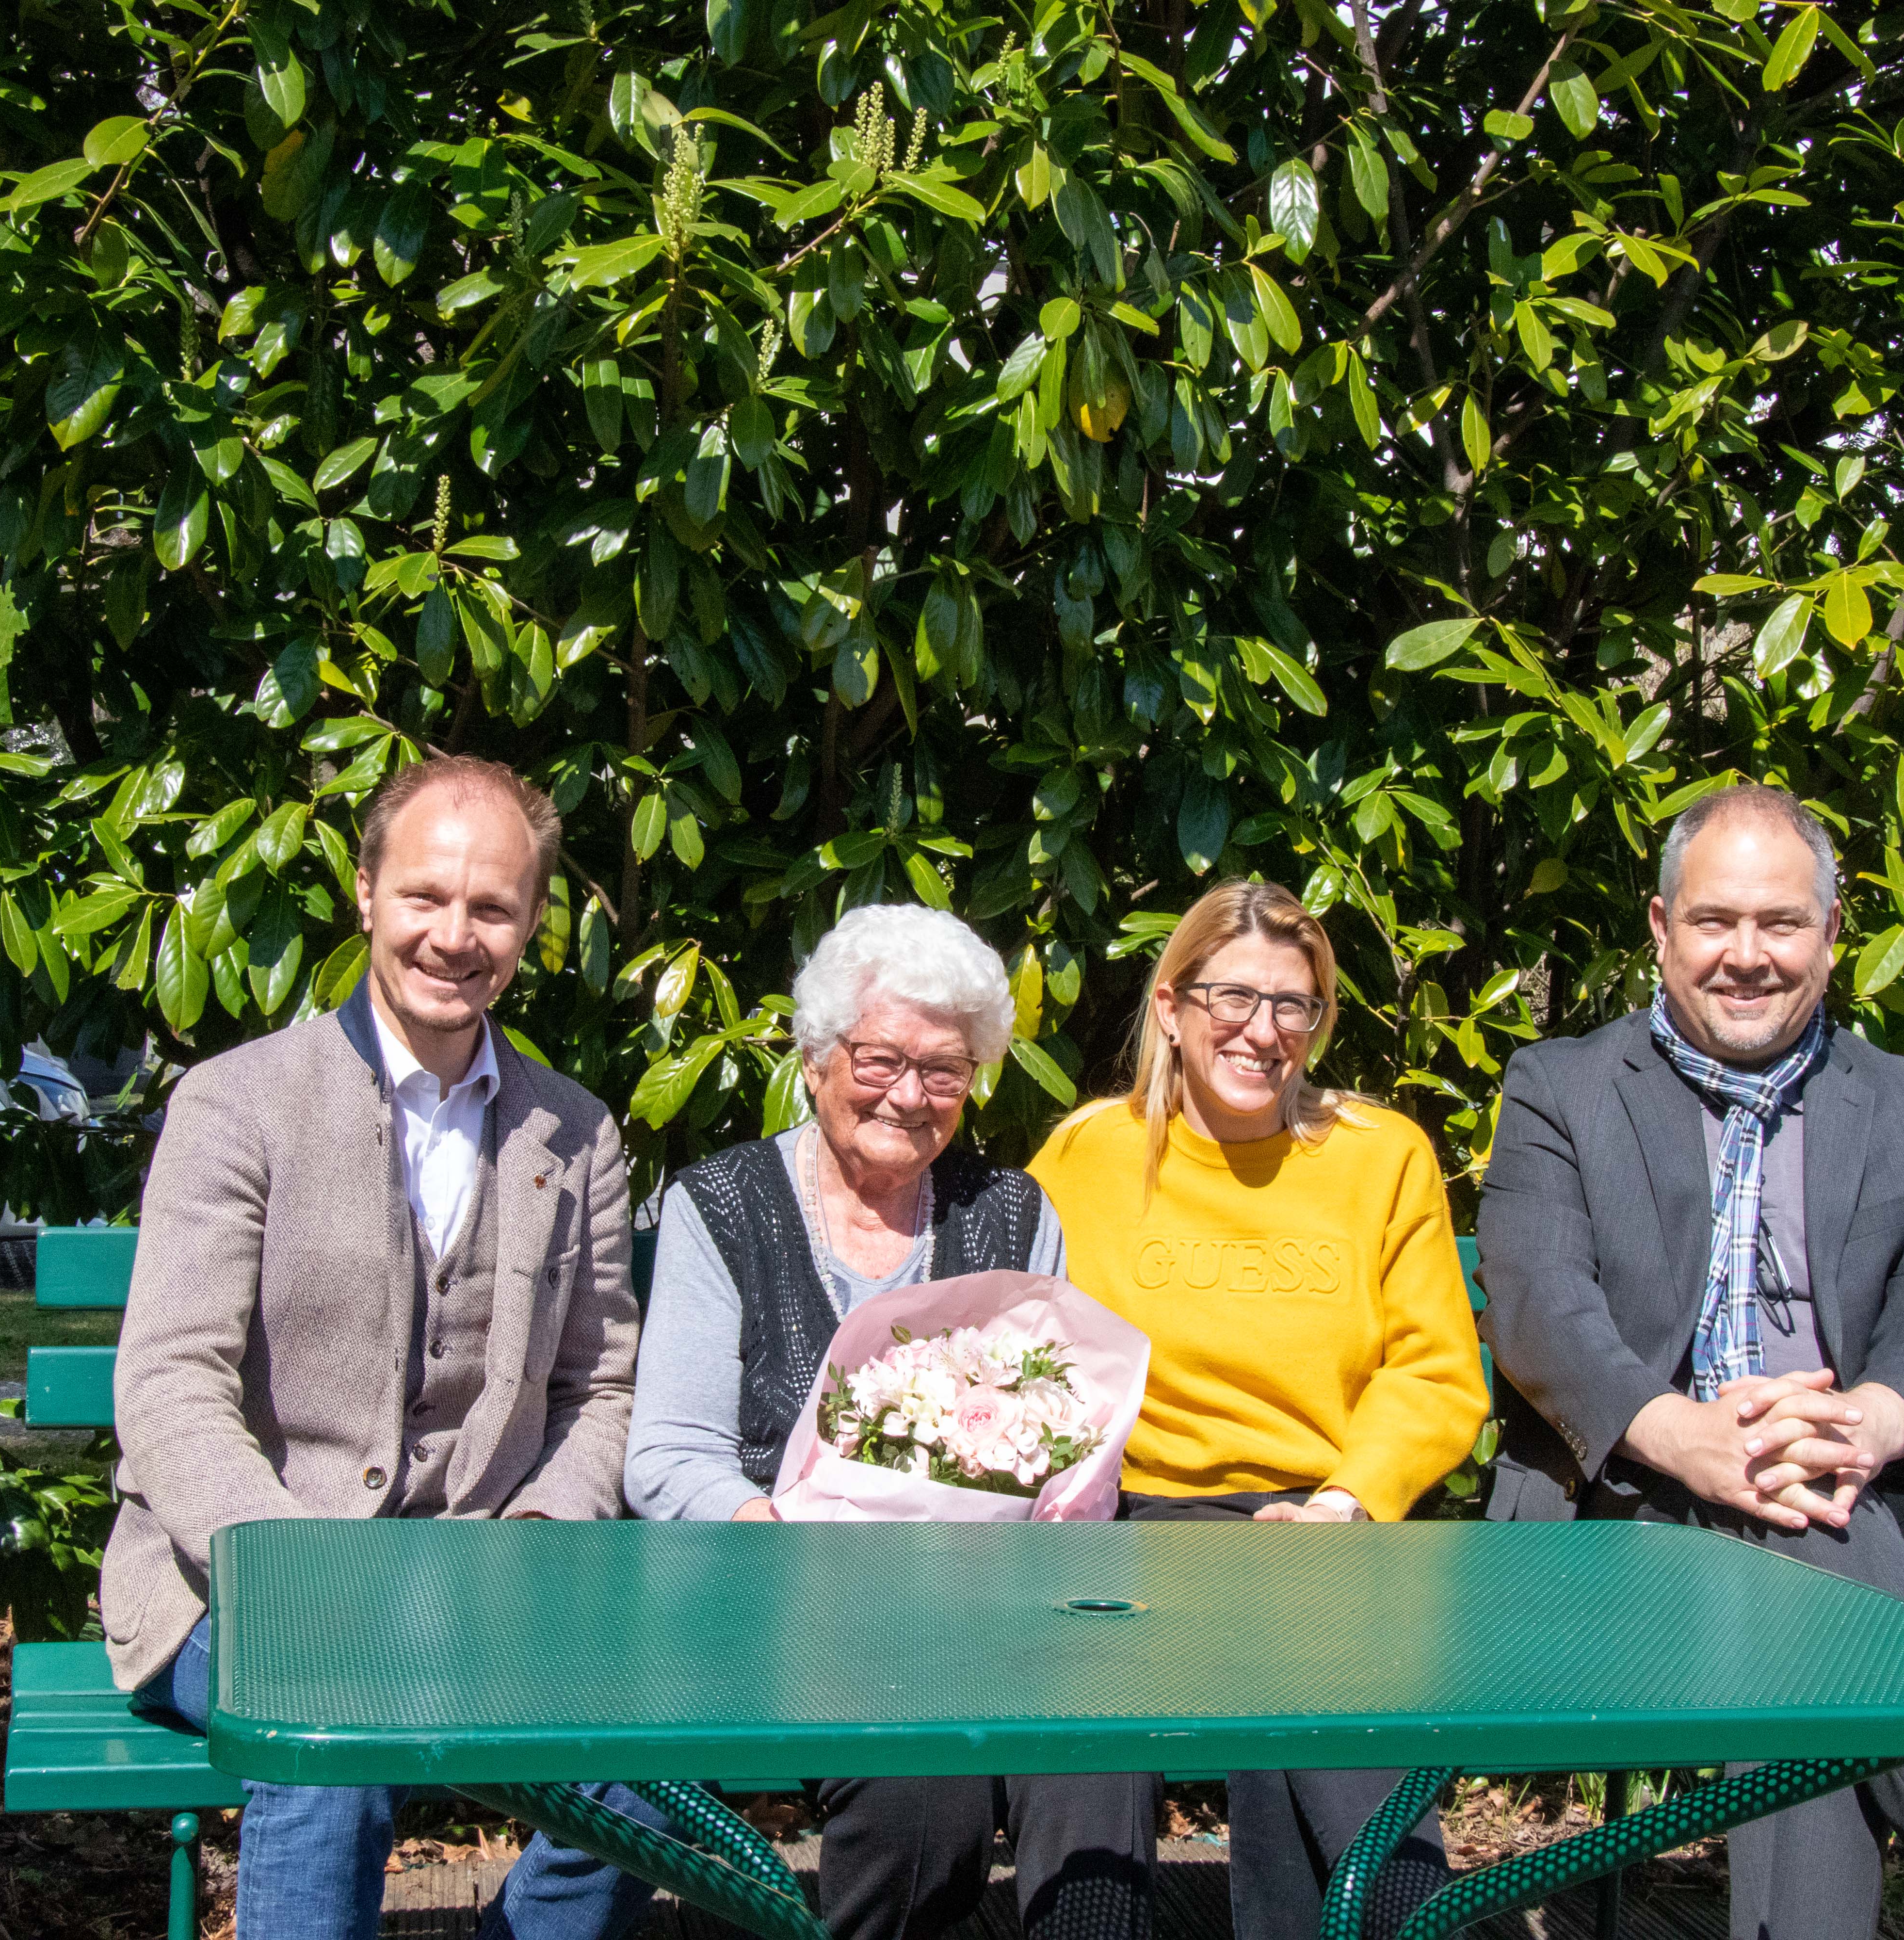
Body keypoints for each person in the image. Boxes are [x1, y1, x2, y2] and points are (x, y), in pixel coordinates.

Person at [1474, 782, 1904, 1940]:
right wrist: (1684, 1433)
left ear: (1833, 936)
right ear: (1661, 929)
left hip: (1832, 1502)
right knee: (1801, 1553)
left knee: (1793, 1592)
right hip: (1613, 1520)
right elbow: (1542, 1306)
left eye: (1781, 923)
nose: (1746, 955)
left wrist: (1878, 1419)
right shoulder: (1562, 1087)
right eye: (1714, 921)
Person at [103, 756, 644, 1940]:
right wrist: (303, 1578)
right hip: (235, 1582)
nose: (456, 934)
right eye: (425, 897)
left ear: (531, 924)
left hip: (481, 1586)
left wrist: (544, 1537)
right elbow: (172, 1384)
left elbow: (597, 1384)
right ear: (364, 896)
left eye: (493, 906)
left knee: (640, 1761)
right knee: (331, 1747)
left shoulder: (576, 1130)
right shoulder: (236, 1103)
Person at [618, 901, 1155, 1940]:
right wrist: (782, 1537)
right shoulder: (721, 1205)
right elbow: (670, 1454)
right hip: (787, 1607)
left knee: (1102, 1745)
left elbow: (1063, 1428)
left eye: (945, 1069)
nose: (910, 1095)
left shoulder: (1011, 1211)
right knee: (922, 1777)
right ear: (819, 1055)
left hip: (998, 1605)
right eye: (880, 1059)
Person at [1028, 879, 1489, 1940]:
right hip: (1128, 1524)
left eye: (1296, 1005)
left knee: (1355, 1791)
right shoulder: (1086, 1155)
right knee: (1084, 1759)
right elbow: (1019, 1348)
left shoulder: (1382, 1156)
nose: (1262, 1029)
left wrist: (1345, 1503)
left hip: (1319, 1529)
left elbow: (1432, 1371)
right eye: (1234, 996)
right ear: (1173, 1007)